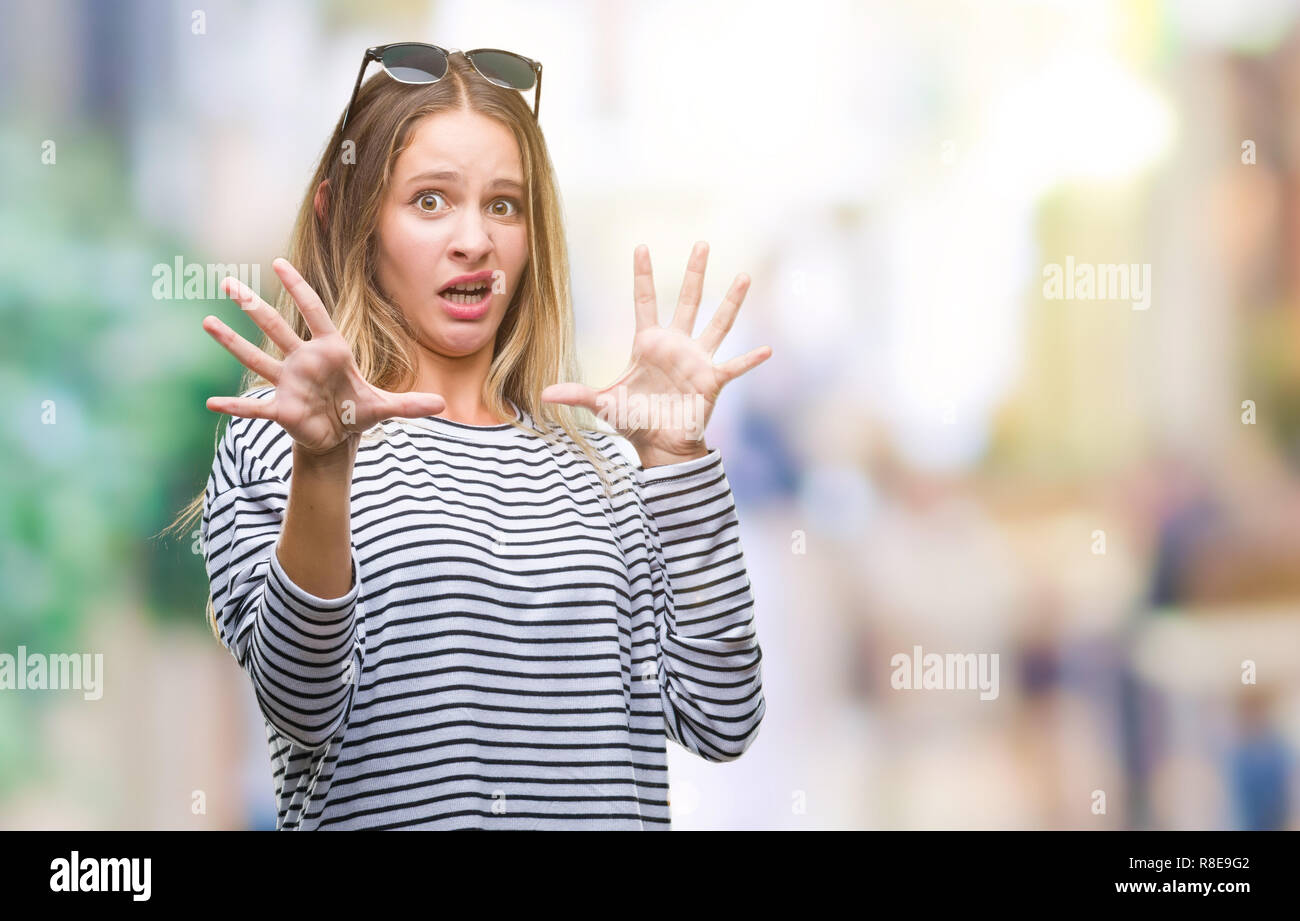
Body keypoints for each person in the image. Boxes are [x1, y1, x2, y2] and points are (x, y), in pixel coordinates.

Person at [169, 44, 772, 829]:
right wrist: (323, 464)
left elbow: (723, 720)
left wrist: (676, 456)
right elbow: (301, 706)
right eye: (429, 201)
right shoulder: (276, 445)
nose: (474, 240)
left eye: (503, 205)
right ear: (344, 213)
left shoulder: (604, 473)